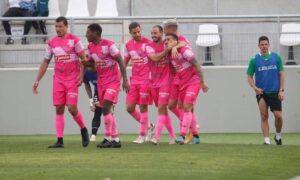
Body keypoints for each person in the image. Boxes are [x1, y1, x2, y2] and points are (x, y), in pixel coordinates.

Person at [32, 16, 89, 148]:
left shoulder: (75, 41)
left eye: (60, 26)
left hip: (72, 79)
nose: (58, 29)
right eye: (56, 27)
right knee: (59, 108)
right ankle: (60, 140)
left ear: (66, 26)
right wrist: (37, 80)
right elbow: (45, 62)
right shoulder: (52, 43)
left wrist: (81, 76)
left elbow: (83, 59)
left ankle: (83, 129)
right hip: (58, 79)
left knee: (72, 108)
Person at [85, 23, 130, 148]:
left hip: (113, 81)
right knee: (108, 110)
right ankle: (116, 140)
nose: (86, 35)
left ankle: (107, 138)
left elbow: (120, 60)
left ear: (95, 33)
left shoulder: (109, 45)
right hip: (101, 82)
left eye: (88, 32)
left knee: (105, 107)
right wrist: (85, 62)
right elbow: (93, 64)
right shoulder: (90, 47)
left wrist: (125, 80)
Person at [165, 33, 209, 145]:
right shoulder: (169, 54)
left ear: (176, 41)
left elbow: (196, 64)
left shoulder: (184, 51)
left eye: (169, 40)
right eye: (165, 41)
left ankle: (182, 135)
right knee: (179, 106)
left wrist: (202, 82)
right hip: (182, 83)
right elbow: (174, 70)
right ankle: (196, 136)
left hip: (193, 81)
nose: (166, 42)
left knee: (186, 107)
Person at [247, 36, 284, 145]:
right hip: (261, 93)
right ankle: (266, 140)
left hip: (275, 92)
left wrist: (281, 90)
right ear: (258, 46)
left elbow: (281, 74)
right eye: (262, 44)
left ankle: (278, 136)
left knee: (278, 116)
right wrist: (255, 88)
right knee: (264, 116)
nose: (264, 46)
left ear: (268, 45)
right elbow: (249, 76)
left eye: (266, 44)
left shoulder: (276, 57)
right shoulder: (254, 60)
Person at [124, 22, 154, 144]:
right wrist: (123, 79)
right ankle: (149, 126)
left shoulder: (148, 43)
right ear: (130, 33)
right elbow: (124, 62)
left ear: (141, 30)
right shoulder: (128, 45)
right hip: (134, 79)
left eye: (138, 31)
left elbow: (154, 59)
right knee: (129, 108)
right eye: (134, 32)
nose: (137, 34)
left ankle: (142, 135)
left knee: (143, 106)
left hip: (146, 79)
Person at [145, 25, 176, 145]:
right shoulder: (148, 46)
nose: (153, 35)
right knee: (163, 111)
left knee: (161, 108)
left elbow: (181, 42)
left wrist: (175, 47)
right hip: (153, 82)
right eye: (152, 33)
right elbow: (154, 58)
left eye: (155, 33)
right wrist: (168, 50)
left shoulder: (166, 43)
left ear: (162, 33)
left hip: (166, 81)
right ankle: (172, 137)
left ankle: (156, 137)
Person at [83, 67, 103, 142]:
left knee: (109, 112)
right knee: (97, 111)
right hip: (97, 93)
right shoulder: (86, 72)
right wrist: (91, 101)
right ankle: (93, 135)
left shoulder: (103, 69)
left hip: (108, 90)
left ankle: (111, 136)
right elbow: (86, 84)